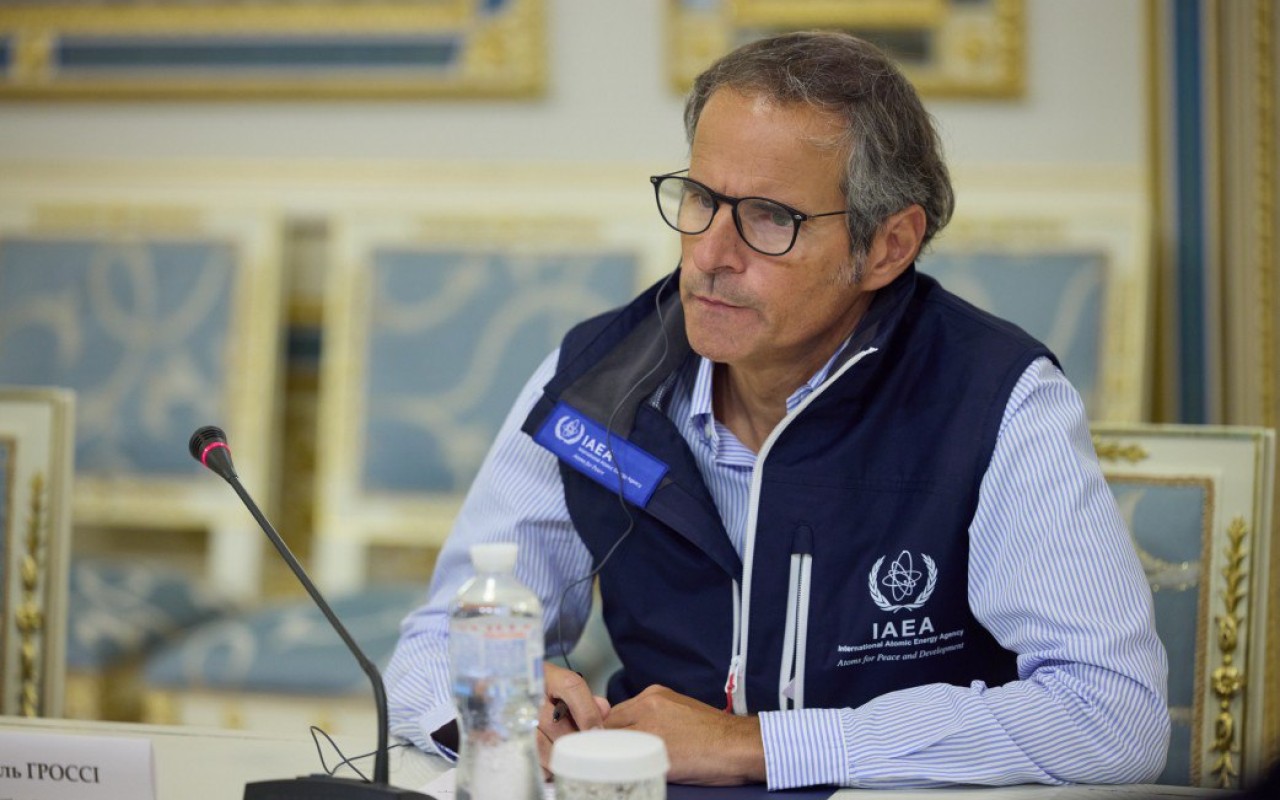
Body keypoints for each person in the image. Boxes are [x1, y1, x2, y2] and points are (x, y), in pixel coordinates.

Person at [385, 30, 1170, 790]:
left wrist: (757, 747)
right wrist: (496, 715)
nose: (710, 255)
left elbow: (1112, 714)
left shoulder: (996, 397)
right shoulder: (599, 382)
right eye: (700, 198)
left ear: (888, 246)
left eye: (769, 218)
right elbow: (431, 651)